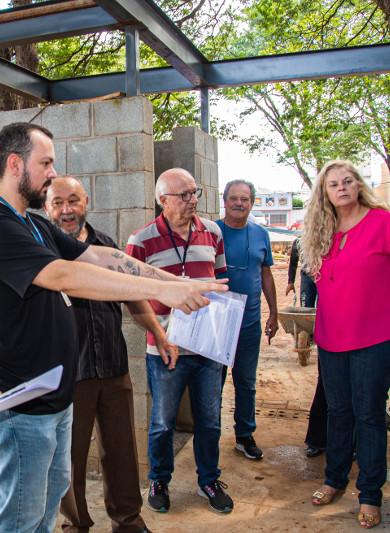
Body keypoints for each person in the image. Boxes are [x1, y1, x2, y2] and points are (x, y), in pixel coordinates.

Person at [0, 123, 228, 533]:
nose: (52, 172)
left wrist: (175, 283)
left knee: (45, 512)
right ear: (15, 165)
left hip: (54, 398)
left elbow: (101, 258)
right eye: (45, 163)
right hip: (21, 409)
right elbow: (68, 276)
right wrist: (168, 295)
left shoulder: (34, 224)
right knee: (23, 521)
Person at [301, 160, 390, 529]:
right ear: (325, 191)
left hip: (377, 338)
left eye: (348, 181)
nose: (341, 187)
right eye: (333, 183)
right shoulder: (321, 230)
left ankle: (370, 493)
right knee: (338, 412)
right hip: (333, 337)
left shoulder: (385, 223)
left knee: (368, 415)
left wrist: (381, 308)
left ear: (358, 186)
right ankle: (335, 479)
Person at [45, 175, 163, 533]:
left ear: (86, 201)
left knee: (122, 451)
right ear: (47, 207)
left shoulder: (106, 245)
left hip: (113, 365)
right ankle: (75, 524)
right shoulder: (43, 251)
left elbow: (133, 296)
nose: (66, 210)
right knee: (69, 458)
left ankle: (127, 520)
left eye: (73, 201)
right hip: (69, 374)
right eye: (57, 202)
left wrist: (160, 334)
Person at [126, 168, 234, 514]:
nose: (193, 200)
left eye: (194, 192)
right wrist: (160, 334)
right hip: (165, 350)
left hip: (207, 348)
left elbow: (221, 280)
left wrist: (222, 327)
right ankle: (159, 479)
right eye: (184, 195)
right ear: (163, 201)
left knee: (210, 419)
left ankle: (208, 480)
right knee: (162, 421)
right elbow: (135, 297)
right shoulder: (141, 241)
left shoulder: (212, 231)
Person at [215, 179, 278, 460]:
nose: (239, 203)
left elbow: (266, 275)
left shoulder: (261, 234)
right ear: (225, 200)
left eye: (245, 199)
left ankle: (244, 435)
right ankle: (209, 433)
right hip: (216, 322)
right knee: (212, 382)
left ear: (251, 203)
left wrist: (273, 313)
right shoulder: (210, 231)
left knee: (246, 382)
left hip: (249, 323)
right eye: (234, 198)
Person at [287, 237, 326, 458]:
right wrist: (290, 281)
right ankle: (318, 439)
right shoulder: (301, 239)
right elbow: (293, 259)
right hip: (309, 277)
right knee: (307, 310)